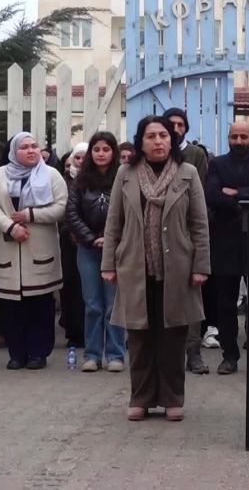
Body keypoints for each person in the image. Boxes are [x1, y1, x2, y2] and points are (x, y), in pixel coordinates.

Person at [101, 115, 211, 421]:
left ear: (172, 140)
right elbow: (114, 223)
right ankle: (141, 398)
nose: (158, 141)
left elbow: (199, 224)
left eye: (163, 135)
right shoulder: (126, 173)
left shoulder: (187, 173)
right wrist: (108, 263)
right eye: (151, 136)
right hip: (135, 266)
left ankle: (173, 398)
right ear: (141, 141)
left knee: (173, 336)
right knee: (138, 336)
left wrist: (201, 265)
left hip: (178, 266)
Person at [0, 132, 68, 370]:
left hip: (40, 249)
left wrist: (31, 215)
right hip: (10, 250)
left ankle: (39, 353)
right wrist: (11, 226)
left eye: (34, 146)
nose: (31, 151)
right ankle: (17, 353)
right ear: (13, 152)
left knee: (40, 304)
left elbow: (61, 207)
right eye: (25, 147)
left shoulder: (51, 175)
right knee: (12, 307)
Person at [205, 121, 249, 375]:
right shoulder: (218, 164)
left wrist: (237, 192)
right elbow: (212, 194)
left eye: (244, 136)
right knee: (225, 303)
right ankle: (229, 355)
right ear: (228, 138)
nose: (239, 141)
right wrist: (243, 202)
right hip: (225, 242)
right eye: (234, 136)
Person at [67, 133, 127, 373]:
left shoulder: (124, 180)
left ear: (113, 152)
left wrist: (109, 238)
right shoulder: (80, 181)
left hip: (116, 250)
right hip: (88, 249)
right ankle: (92, 354)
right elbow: (72, 213)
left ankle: (115, 354)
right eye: (96, 149)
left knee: (113, 305)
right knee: (92, 304)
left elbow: (127, 214)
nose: (101, 153)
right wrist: (92, 238)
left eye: (106, 149)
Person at [162, 107, 210, 374]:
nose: (176, 128)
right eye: (172, 123)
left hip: (185, 235)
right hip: (156, 235)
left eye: (181, 124)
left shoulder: (195, 156)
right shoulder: (151, 154)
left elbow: (197, 198)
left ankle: (193, 352)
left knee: (191, 297)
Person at [55, 144, 86, 353]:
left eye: (85, 158)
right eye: (78, 158)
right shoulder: (62, 181)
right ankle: (74, 332)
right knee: (71, 287)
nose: (81, 162)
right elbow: (63, 209)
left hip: (93, 241)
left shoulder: (96, 180)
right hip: (68, 241)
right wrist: (72, 230)